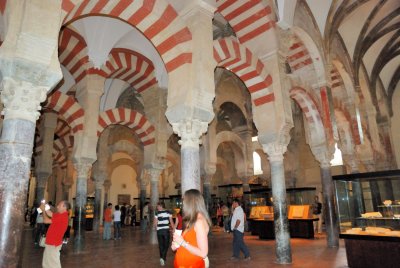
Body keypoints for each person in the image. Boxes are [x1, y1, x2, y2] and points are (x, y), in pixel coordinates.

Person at [172, 189, 211, 268]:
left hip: (194, 264)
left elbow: (203, 253)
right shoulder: (193, 219)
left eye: (184, 201)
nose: (183, 204)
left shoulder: (199, 221)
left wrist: (182, 243)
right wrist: (177, 244)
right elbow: (191, 242)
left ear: (190, 203)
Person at [41, 200, 70, 268]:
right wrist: (45, 207)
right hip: (50, 243)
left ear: (64, 207)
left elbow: (45, 221)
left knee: (53, 265)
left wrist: (43, 211)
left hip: (53, 244)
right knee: (47, 264)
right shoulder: (60, 215)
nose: (57, 207)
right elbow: (50, 213)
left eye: (59, 205)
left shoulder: (63, 216)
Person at [154, 201, 174, 266]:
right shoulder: (167, 212)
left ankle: (162, 258)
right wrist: (156, 228)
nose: (157, 207)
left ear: (162, 206)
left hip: (164, 230)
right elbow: (155, 222)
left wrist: (173, 229)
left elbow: (171, 221)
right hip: (162, 230)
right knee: (162, 245)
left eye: (158, 206)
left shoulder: (166, 212)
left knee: (165, 245)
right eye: (157, 206)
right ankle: (162, 258)